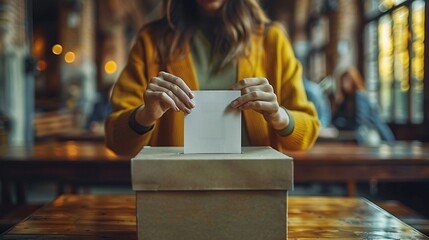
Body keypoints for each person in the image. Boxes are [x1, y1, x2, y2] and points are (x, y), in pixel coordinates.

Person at [105, 0, 320, 155]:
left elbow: (307, 133)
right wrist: (145, 115)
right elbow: (116, 140)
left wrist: (278, 115)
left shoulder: (271, 40)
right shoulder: (151, 40)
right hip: (176, 189)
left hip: (254, 186)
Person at [332, 66, 395, 146]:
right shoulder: (346, 99)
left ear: (353, 80)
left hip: (377, 137)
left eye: (347, 79)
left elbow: (359, 121)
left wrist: (342, 123)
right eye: (343, 80)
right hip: (362, 139)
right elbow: (334, 119)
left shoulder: (359, 96)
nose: (345, 83)